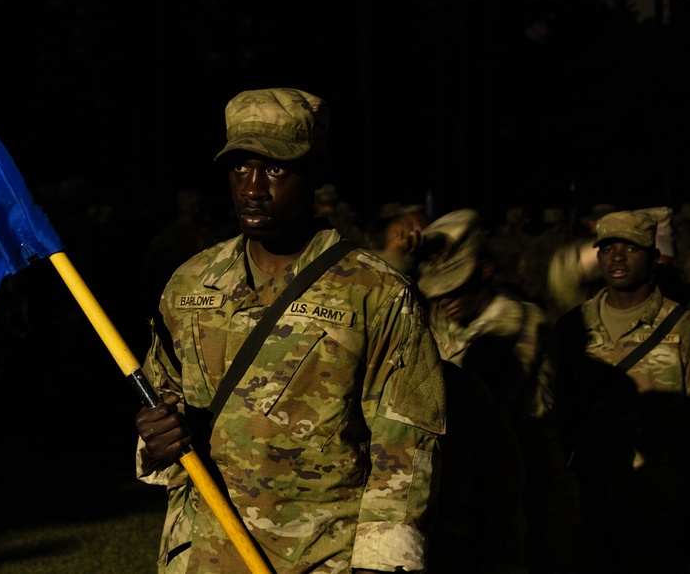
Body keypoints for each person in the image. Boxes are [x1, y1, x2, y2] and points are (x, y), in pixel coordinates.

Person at [133, 88, 447, 574]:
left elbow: (405, 450)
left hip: (318, 558)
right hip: (203, 554)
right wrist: (155, 436)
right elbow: (163, 394)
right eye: (240, 167)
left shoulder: (374, 291)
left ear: (316, 175)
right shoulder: (190, 282)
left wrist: (381, 563)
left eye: (275, 169)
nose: (253, 187)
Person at [552, 210, 690, 574]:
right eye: (607, 248)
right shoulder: (573, 328)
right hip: (589, 503)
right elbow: (556, 417)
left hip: (662, 510)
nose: (617, 257)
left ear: (653, 258)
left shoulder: (688, 330)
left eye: (630, 248)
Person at [414, 208, 572, 574]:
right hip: (462, 494)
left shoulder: (520, 323)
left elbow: (471, 402)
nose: (445, 302)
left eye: (456, 289)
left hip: (517, 492)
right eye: (438, 294)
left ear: (485, 271)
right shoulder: (442, 319)